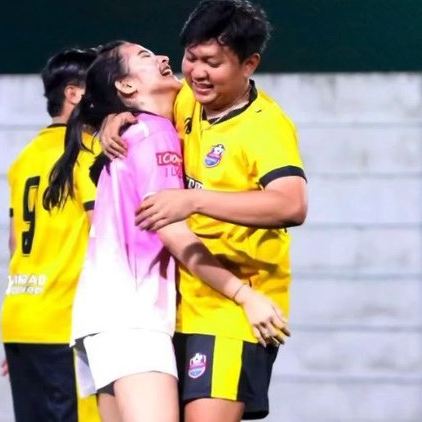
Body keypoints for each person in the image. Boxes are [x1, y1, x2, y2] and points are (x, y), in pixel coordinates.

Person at [44, 40, 287, 422]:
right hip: (132, 318)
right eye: (144, 56)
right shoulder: (156, 135)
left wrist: (111, 116)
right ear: (126, 86)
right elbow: (173, 231)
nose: (162, 58)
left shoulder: (135, 131)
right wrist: (244, 294)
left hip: (100, 319)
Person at [100, 1, 308, 420]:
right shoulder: (186, 101)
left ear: (249, 64)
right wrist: (114, 116)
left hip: (232, 310)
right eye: (190, 58)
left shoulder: (265, 126)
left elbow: (292, 203)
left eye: (211, 62)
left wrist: (195, 199)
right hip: (174, 307)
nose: (195, 72)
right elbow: (138, 95)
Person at [0, 48, 101, 422]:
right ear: (75, 93)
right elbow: (104, 232)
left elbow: (15, 244)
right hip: (65, 322)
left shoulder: (25, 157)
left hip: (22, 319)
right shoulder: (84, 151)